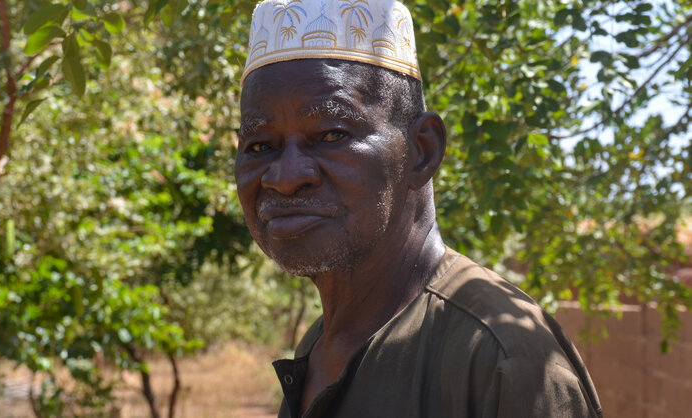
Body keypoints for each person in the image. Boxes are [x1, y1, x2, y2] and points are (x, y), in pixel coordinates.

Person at [234, 0, 602, 417]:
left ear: (422, 151)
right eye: (260, 145)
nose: (284, 177)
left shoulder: (500, 360)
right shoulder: (321, 344)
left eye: (332, 134)